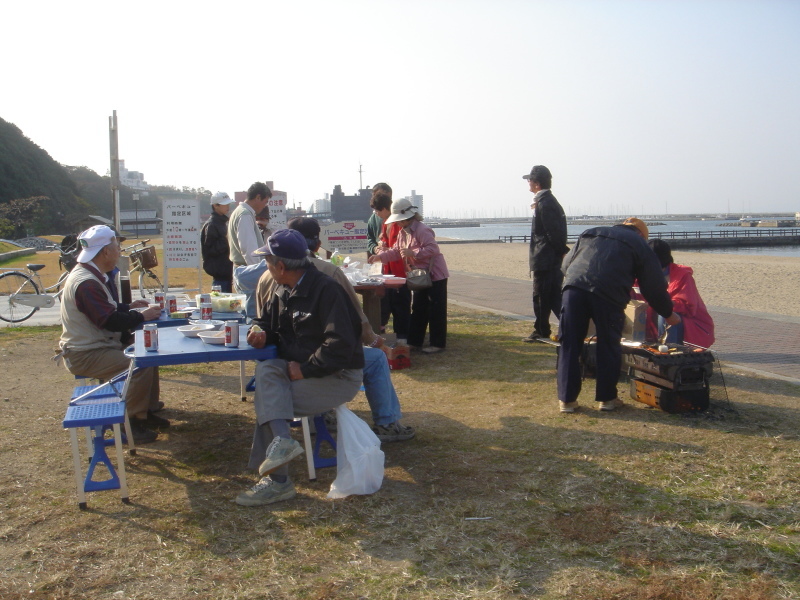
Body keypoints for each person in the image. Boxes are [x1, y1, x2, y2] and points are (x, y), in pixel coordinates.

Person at [236, 229, 365, 507]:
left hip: (337, 375)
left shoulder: (327, 290)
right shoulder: (283, 288)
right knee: (267, 371)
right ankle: (283, 443)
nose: (265, 268)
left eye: (266, 262)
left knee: (270, 402)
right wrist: (259, 331)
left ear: (280, 266)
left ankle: (278, 482)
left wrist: (305, 369)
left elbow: (340, 346)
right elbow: (269, 325)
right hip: (299, 367)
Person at [283, 217, 415, 441]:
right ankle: (387, 422)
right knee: (375, 358)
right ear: (316, 244)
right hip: (318, 359)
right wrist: (374, 340)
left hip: (285, 358)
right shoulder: (326, 272)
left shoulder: (269, 274)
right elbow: (355, 316)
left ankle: (323, 413)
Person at [558, 217, 681, 413]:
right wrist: (668, 313)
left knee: (570, 343)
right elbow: (653, 287)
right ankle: (607, 399)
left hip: (574, 289)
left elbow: (565, 265)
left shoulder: (591, 232)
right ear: (641, 234)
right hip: (609, 294)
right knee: (608, 344)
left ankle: (567, 400)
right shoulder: (640, 244)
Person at [58, 225, 166, 443]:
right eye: (117, 246)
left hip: (96, 346)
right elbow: (109, 320)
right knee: (139, 364)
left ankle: (147, 411)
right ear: (105, 252)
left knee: (149, 353)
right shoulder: (87, 282)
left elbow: (104, 309)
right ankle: (130, 423)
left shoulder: (90, 274)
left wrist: (128, 307)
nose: (120, 251)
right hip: (86, 353)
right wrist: (141, 316)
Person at [368, 198, 449, 354]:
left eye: (399, 220)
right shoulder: (404, 232)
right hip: (419, 275)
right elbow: (396, 251)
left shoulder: (422, 230)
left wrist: (414, 253)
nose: (397, 223)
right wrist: (380, 257)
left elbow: (433, 249)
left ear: (406, 218)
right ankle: (414, 342)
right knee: (418, 308)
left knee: (436, 310)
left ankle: (437, 343)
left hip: (435, 274)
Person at [521, 165, 568, 342]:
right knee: (552, 296)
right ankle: (562, 327)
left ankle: (542, 330)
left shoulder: (545, 203)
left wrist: (562, 251)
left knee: (542, 296)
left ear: (537, 183)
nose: (528, 182)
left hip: (546, 258)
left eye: (529, 179)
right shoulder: (547, 201)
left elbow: (552, 232)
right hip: (549, 258)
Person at [647, 239, 715, 348]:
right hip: (656, 320)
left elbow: (688, 306)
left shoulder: (683, 275)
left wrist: (663, 303)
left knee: (665, 314)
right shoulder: (645, 273)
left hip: (690, 323)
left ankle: (669, 351)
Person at [367, 184, 410, 342]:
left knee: (401, 307)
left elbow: (400, 248)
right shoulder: (385, 223)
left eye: (378, 211)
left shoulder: (399, 224)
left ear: (385, 209)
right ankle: (388, 335)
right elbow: (381, 241)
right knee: (386, 304)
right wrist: (380, 248)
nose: (376, 214)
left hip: (400, 271)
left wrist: (384, 251)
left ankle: (403, 338)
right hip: (387, 271)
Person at [228, 181, 271, 316]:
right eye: (265, 201)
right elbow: (249, 249)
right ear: (258, 197)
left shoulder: (240, 212)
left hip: (242, 270)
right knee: (252, 318)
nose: (265, 206)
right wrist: (259, 274)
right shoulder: (245, 214)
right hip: (248, 272)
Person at [200, 191, 235, 293]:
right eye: (225, 204)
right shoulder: (212, 225)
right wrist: (228, 239)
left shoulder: (222, 222)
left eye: (228, 203)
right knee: (221, 304)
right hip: (220, 272)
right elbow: (210, 249)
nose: (228, 206)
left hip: (225, 271)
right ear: (215, 206)